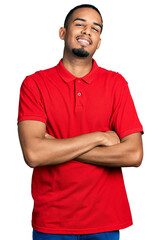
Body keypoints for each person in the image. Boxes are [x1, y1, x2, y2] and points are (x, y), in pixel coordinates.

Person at [17, 4, 144, 240]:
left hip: (105, 221)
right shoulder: (34, 84)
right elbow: (34, 154)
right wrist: (100, 137)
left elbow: (134, 154)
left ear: (99, 42)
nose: (87, 31)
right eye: (80, 24)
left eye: (95, 28)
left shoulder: (116, 84)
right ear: (63, 33)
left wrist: (57, 147)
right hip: (52, 222)